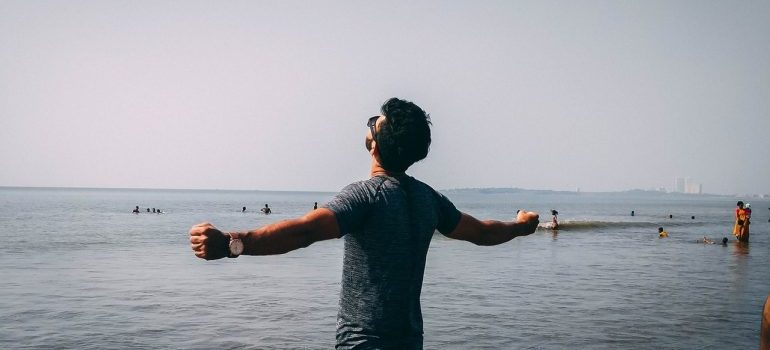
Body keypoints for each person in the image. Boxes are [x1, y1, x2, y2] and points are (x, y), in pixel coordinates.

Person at [188, 98, 540, 349]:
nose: (371, 125)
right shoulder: (429, 200)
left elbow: (305, 231)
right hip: (410, 339)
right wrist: (520, 226)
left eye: (376, 123)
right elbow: (481, 233)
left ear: (373, 145)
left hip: (363, 342)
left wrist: (234, 243)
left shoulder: (366, 196)